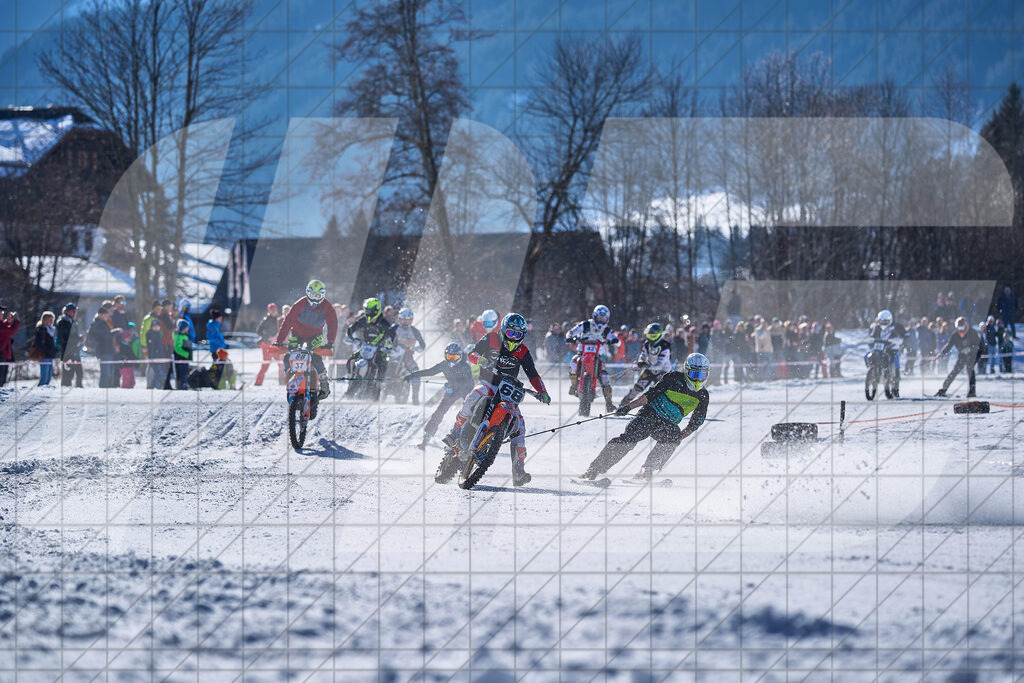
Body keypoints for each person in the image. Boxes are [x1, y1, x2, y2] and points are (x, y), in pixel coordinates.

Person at [442, 313, 551, 487]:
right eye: (511, 333)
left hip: (508, 390)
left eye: (518, 334)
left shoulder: (522, 350)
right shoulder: (491, 338)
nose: (514, 337)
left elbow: (533, 374)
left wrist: (542, 392)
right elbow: (472, 354)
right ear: (503, 330)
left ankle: (519, 471)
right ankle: (454, 433)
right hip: (489, 383)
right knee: (473, 397)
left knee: (520, 426)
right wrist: (481, 359)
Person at [580, 353, 711, 482]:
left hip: (667, 424)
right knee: (629, 439)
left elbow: (695, 423)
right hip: (650, 414)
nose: (698, 379)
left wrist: (676, 439)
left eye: (702, 375)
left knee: (673, 437)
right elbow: (650, 395)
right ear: (686, 371)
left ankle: (646, 470)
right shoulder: (673, 378)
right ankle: (594, 469)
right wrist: (628, 407)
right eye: (694, 374)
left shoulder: (703, 395)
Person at [274, 280, 338, 399]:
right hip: (297, 334)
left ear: (323, 295)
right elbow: (287, 322)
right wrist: (279, 341)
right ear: (308, 293)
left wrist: (330, 342)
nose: (315, 299)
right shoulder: (300, 303)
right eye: (313, 295)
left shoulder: (327, 306)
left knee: (316, 357)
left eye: (318, 296)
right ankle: (290, 376)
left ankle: (324, 383)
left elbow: (332, 323)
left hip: (315, 336)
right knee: (289, 355)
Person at [405, 342, 475, 449]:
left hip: (465, 390)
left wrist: (452, 385)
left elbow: (469, 384)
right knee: (440, 411)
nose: (451, 360)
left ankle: (469, 436)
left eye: (454, 357)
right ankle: (427, 438)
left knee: (470, 412)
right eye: (449, 356)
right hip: (452, 390)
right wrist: (412, 375)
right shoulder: (444, 365)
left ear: (460, 356)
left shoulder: (464, 366)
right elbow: (430, 372)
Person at [565, 305, 620, 412]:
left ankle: (609, 404)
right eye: (599, 318)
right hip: (582, 354)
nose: (601, 321)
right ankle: (573, 385)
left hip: (597, 357)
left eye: (603, 319)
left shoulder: (607, 329)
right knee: (573, 364)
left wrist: (614, 341)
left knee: (605, 378)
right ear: (594, 316)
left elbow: (615, 339)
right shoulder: (585, 324)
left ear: (607, 319)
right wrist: (570, 337)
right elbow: (571, 332)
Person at [343, 296, 394, 399]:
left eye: (369, 310)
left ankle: (377, 391)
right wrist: (351, 338)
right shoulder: (364, 320)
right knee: (352, 359)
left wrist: (390, 346)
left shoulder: (385, 323)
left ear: (376, 310)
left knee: (382, 365)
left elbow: (393, 336)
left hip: (380, 350)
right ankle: (351, 380)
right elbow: (351, 328)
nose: (367, 312)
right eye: (366, 310)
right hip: (365, 347)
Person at [618, 322, 673, 410]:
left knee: (662, 392)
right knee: (638, 387)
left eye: (653, 336)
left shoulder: (665, 346)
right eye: (649, 335)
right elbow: (643, 355)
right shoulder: (647, 344)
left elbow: (660, 365)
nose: (651, 338)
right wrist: (640, 362)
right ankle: (624, 404)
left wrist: (646, 365)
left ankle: (666, 408)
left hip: (663, 372)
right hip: (650, 369)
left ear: (659, 335)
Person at [933, 317, 980, 397]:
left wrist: (970, 348)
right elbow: (949, 345)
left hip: (971, 356)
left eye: (962, 327)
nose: (961, 330)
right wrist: (942, 353)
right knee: (954, 372)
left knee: (970, 372)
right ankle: (944, 389)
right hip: (962, 356)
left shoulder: (972, 333)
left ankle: (972, 391)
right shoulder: (955, 335)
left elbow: (978, 345)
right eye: (959, 328)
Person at [389, 307, 426, 404]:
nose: (405, 322)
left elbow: (423, 345)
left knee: (416, 373)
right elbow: (385, 339)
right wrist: (390, 347)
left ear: (411, 320)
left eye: (407, 320)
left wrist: (416, 348)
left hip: (407, 357)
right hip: (393, 357)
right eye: (403, 320)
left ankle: (415, 400)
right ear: (399, 319)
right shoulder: (394, 328)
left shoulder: (414, 330)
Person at [867, 309, 907, 397]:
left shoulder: (896, 326)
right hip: (879, 348)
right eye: (882, 321)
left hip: (892, 349)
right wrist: (870, 341)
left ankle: (895, 387)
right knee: (869, 356)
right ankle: (873, 372)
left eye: (885, 321)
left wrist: (902, 339)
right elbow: (871, 336)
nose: (883, 323)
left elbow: (904, 334)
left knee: (895, 365)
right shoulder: (876, 327)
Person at [86, 306, 117, 388]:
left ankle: (107, 388)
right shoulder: (98, 325)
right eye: (106, 315)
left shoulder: (102, 324)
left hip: (107, 351)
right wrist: (116, 331)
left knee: (108, 373)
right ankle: (103, 390)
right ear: (100, 315)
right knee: (105, 374)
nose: (107, 317)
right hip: (103, 352)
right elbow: (106, 336)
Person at [56, 303, 84, 388]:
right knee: (68, 374)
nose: (75, 313)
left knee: (79, 372)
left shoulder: (73, 322)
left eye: (76, 311)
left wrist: (80, 339)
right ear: (67, 312)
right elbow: (66, 338)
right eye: (73, 311)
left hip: (75, 351)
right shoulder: (63, 322)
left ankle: (79, 388)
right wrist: (78, 339)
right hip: (67, 352)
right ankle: (65, 390)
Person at [255, 303, 281, 386]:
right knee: (266, 364)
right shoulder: (266, 319)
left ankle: (282, 381)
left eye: (275, 310)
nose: (274, 311)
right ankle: (258, 382)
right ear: (269, 311)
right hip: (267, 344)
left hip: (276, 345)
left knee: (281, 363)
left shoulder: (279, 319)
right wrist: (266, 337)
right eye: (272, 310)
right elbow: (258, 331)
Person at [33, 311, 58, 386]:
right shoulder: (41, 329)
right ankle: (40, 389)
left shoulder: (52, 330)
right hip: (43, 355)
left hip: (50, 355)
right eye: (50, 319)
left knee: (49, 375)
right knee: (44, 376)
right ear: (45, 320)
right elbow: (38, 343)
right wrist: (46, 350)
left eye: (52, 319)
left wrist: (54, 350)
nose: (51, 321)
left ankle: (45, 390)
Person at [145, 318, 169, 389]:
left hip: (160, 357)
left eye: (157, 326)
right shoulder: (150, 334)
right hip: (153, 357)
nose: (156, 327)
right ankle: (150, 385)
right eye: (154, 326)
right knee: (152, 372)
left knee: (160, 373)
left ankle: (159, 385)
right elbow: (151, 346)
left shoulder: (160, 334)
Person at [0, 305, 19, 388]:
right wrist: (16, 321)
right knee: (1, 379)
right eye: (0, 312)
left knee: (3, 379)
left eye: (2, 312)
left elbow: (4, 328)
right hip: (1, 353)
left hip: (3, 353)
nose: (1, 314)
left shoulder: (1, 323)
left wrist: (7, 321)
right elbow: (9, 331)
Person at [172, 318, 193, 389]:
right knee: (180, 372)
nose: (188, 328)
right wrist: (186, 354)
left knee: (185, 371)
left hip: (185, 358)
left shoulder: (185, 335)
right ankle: (180, 385)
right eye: (187, 327)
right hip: (180, 358)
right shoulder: (179, 336)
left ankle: (184, 383)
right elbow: (177, 348)